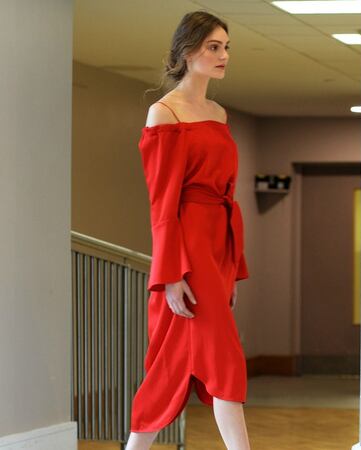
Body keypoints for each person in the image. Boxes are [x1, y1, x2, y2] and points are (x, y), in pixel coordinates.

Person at [126, 11, 250, 450]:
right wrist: (170, 273)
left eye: (226, 47)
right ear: (187, 51)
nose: (223, 55)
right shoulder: (163, 113)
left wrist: (232, 265)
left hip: (217, 246)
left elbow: (226, 193)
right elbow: (162, 204)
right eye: (214, 47)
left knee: (173, 362)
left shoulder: (218, 112)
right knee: (223, 359)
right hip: (189, 250)